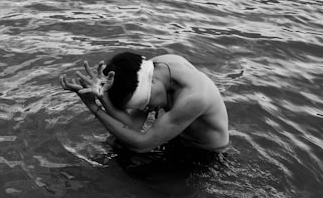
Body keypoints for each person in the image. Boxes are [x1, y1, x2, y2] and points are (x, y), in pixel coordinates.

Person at [60, 51, 229, 155]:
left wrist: (93, 107)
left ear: (153, 83)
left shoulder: (194, 97)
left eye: (145, 103)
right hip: (177, 139)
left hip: (205, 156)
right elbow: (133, 125)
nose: (147, 109)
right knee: (115, 143)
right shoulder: (154, 69)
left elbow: (141, 145)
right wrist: (101, 96)